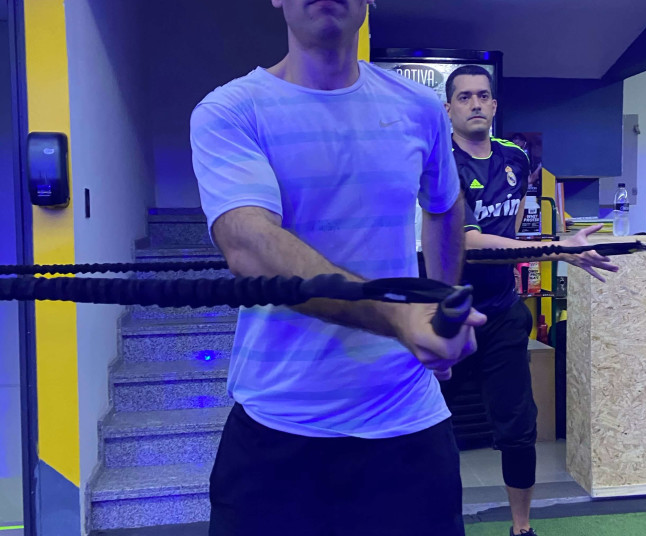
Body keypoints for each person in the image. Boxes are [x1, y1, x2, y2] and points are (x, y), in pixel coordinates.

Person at [189, 2, 486, 535]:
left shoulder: (418, 107)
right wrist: (399, 317)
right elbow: (250, 246)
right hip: (278, 432)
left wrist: (439, 308)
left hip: (407, 430)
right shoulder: (232, 110)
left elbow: (444, 205)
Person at [443, 65, 618, 536]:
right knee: (435, 428)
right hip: (448, 313)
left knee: (518, 428)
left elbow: (515, 225)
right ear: (449, 108)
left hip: (502, 312)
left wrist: (547, 246)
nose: (475, 103)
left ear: (495, 105)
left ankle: (521, 529)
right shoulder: (442, 163)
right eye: (465, 97)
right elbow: (470, 243)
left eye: (483, 95)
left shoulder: (515, 158)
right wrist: (558, 249)